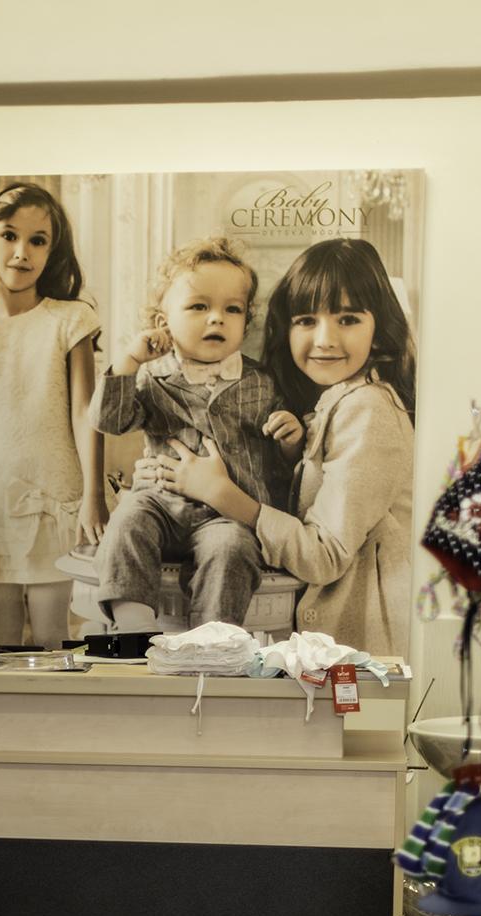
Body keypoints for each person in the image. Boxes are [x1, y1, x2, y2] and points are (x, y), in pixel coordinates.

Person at [147, 237, 415, 657]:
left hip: (362, 650)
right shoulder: (330, 400)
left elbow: (324, 554)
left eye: (347, 319)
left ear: (378, 327)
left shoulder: (369, 409)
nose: (325, 339)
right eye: (306, 320)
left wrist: (219, 493)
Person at [91, 235, 292, 634]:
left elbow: (284, 462)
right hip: (160, 503)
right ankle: (133, 624)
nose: (216, 318)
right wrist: (129, 361)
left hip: (226, 514)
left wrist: (290, 436)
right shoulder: (151, 375)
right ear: (163, 322)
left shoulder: (262, 381)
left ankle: (213, 638)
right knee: (128, 521)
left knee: (233, 550)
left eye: (232, 309)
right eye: (199, 306)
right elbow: (110, 422)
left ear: (246, 320)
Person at [0, 182, 105, 649]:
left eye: (38, 240)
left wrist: (93, 495)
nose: (21, 252)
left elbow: (84, 414)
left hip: (58, 503)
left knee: (54, 639)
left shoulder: (70, 320)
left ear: (52, 252)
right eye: (10, 236)